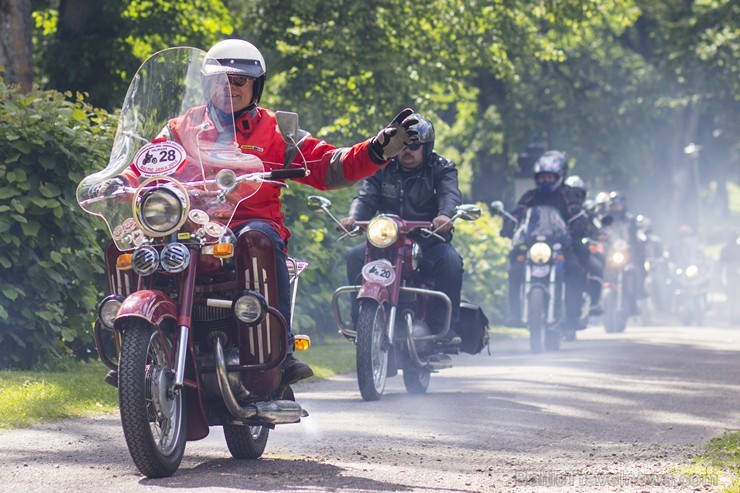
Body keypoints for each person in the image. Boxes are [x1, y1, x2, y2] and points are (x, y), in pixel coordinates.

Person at [102, 39, 420, 387]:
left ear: (256, 86)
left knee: (257, 240)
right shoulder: (181, 127)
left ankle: (278, 352)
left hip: (249, 221)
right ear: (206, 83)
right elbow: (149, 160)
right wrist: (121, 181)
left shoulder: (277, 130)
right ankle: (128, 349)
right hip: (188, 224)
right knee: (125, 240)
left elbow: (328, 165)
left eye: (239, 80)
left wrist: (376, 149)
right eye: (221, 79)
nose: (230, 87)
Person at [339, 113, 464, 345]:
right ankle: (360, 324)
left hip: (428, 241)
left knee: (451, 262)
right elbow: (366, 197)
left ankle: (444, 330)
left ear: (426, 147)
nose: (408, 151)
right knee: (355, 256)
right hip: (388, 242)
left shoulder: (441, 168)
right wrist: (354, 218)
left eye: (415, 145)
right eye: (403, 145)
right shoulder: (382, 168)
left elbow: (449, 193)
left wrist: (445, 215)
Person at [499, 150, 587, 330]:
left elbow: (576, 212)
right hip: (533, 244)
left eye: (549, 176)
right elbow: (518, 212)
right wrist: (509, 224)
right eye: (542, 177)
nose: (546, 180)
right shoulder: (531, 196)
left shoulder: (568, 195)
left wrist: (579, 224)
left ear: (559, 176)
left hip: (560, 245)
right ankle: (516, 313)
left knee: (576, 270)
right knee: (515, 270)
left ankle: (573, 316)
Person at [564, 175, 605, 315]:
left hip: (578, 245)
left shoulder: (587, 210)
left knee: (596, 266)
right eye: (570, 192)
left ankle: (594, 302)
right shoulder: (560, 208)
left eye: (577, 193)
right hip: (560, 246)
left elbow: (597, 228)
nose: (573, 196)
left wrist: (598, 235)